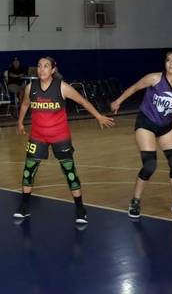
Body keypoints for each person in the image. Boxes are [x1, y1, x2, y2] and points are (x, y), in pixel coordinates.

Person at [13, 57, 114, 223]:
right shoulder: (31, 87)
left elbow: (82, 101)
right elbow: (25, 104)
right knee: (28, 171)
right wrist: (20, 122)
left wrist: (98, 116)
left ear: (53, 70)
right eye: (39, 66)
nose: (42, 69)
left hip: (60, 136)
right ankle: (24, 206)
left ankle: (80, 208)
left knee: (69, 172)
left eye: (46, 66)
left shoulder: (62, 87)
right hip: (37, 136)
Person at [110, 51, 172, 219]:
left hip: (165, 127)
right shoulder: (155, 78)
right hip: (146, 123)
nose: (171, 63)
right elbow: (135, 87)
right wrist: (118, 101)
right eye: (168, 60)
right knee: (150, 165)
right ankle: (135, 201)